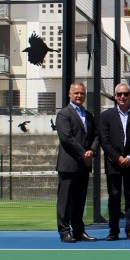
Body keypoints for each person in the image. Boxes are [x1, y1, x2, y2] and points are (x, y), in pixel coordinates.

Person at [98, 82, 130, 241]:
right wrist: (117, 157)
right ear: (114, 96)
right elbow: (104, 140)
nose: (122, 97)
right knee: (114, 197)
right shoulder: (106, 116)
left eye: (125, 94)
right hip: (113, 163)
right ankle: (113, 231)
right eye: (119, 94)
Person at [55, 81, 99, 243]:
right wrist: (83, 153)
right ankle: (65, 231)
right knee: (65, 200)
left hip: (83, 165)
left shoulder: (88, 115)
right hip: (69, 165)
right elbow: (67, 138)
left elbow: (96, 136)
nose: (79, 95)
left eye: (82, 93)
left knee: (80, 201)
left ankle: (79, 231)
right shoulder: (63, 114)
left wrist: (92, 151)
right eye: (76, 93)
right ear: (70, 94)